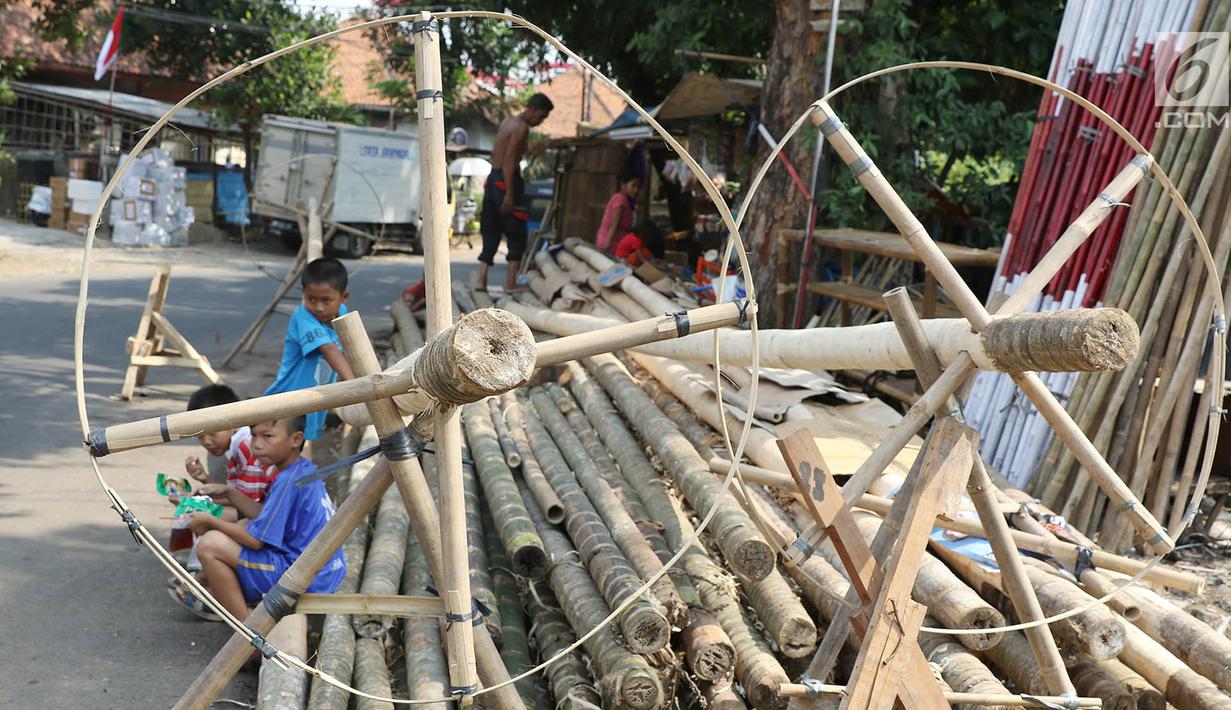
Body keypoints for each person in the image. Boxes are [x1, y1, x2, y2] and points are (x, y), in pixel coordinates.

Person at [170, 416, 345, 622]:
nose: (257, 444)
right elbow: (262, 514)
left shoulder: (288, 481)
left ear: (295, 440)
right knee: (241, 525)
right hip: (324, 571)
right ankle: (219, 594)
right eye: (253, 436)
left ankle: (249, 638)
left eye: (267, 436)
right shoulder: (300, 469)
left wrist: (209, 521)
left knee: (210, 545)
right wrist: (228, 491)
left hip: (306, 577)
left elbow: (256, 540)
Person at [265, 258, 354, 442]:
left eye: (326, 300)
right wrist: (356, 385)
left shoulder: (342, 313)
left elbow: (353, 345)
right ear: (303, 294)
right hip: (286, 404)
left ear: (343, 297)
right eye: (311, 299)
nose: (318, 307)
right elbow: (328, 349)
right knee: (283, 457)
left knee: (301, 449)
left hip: (314, 404)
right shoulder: (303, 316)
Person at [478, 93, 554, 292]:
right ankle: (511, 283)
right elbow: (510, 159)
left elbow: (514, 151)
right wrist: (510, 193)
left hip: (493, 178)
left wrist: (536, 147)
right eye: (541, 117)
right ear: (533, 110)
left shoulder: (507, 122)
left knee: (491, 227)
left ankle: (481, 279)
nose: (540, 122)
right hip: (507, 179)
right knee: (517, 232)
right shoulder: (522, 127)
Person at [174, 384, 278, 522]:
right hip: (257, 508)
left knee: (193, 514)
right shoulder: (238, 444)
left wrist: (194, 501)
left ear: (234, 422)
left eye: (212, 432)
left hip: (267, 515)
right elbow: (235, 495)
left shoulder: (246, 447)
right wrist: (204, 479)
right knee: (192, 509)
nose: (206, 441)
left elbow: (247, 503)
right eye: (199, 436)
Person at [596, 167, 641, 253]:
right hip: (611, 244)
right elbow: (613, 225)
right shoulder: (620, 199)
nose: (636, 190)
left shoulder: (622, 199)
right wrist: (606, 245)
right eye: (633, 185)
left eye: (638, 187)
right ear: (623, 185)